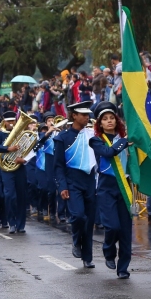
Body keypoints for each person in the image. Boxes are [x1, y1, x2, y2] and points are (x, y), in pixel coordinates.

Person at [88, 102, 132, 278]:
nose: (109, 121)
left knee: (126, 232)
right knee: (112, 226)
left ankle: (123, 268)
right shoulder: (96, 140)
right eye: (105, 119)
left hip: (125, 187)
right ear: (99, 123)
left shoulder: (124, 137)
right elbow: (108, 152)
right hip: (106, 187)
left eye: (111, 118)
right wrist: (123, 141)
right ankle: (108, 250)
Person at [55, 100, 97, 268]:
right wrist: (62, 186)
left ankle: (87, 257)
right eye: (83, 115)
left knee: (89, 220)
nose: (87, 117)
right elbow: (58, 165)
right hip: (72, 181)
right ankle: (75, 239)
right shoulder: (62, 138)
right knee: (78, 215)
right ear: (74, 116)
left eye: (88, 114)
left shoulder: (92, 134)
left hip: (90, 181)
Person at [0, 111, 29, 234]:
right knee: (9, 195)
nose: (11, 123)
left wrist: (24, 159)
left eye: (13, 121)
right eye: (8, 121)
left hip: (20, 167)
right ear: (4, 122)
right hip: (6, 168)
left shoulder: (21, 133)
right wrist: (8, 149)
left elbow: (30, 148)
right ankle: (11, 222)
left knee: (21, 196)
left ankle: (20, 224)